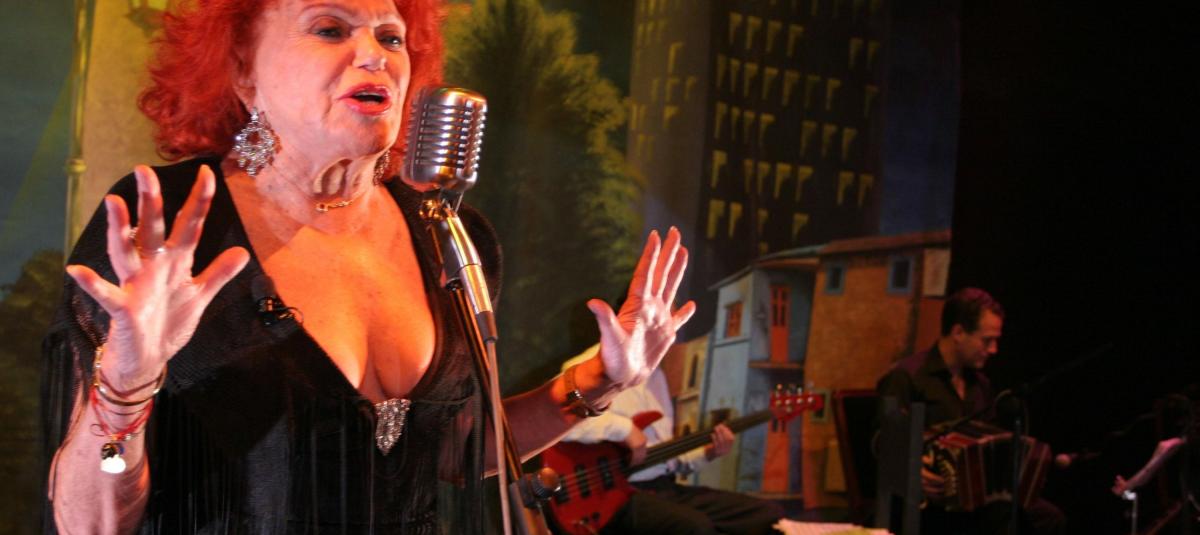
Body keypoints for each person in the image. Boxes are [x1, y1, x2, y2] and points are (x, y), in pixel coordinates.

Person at [41, 0, 696, 533]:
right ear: (241, 68)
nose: (374, 55)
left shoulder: (450, 234)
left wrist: (602, 380)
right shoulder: (168, 224)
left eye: (392, 37)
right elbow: (87, 524)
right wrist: (124, 383)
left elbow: (450, 453)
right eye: (330, 29)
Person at [876, 287, 1065, 535]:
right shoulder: (908, 377)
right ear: (958, 332)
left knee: (1049, 518)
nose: (994, 349)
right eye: (987, 340)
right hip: (925, 503)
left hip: (972, 502)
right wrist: (912, 470)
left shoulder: (981, 384)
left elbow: (993, 442)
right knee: (1003, 519)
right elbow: (881, 441)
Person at [554, 349, 784, 535]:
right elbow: (558, 418)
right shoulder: (587, 365)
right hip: (612, 495)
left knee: (766, 515)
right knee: (695, 528)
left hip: (660, 486)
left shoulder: (656, 375)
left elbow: (667, 459)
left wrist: (709, 452)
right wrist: (624, 430)